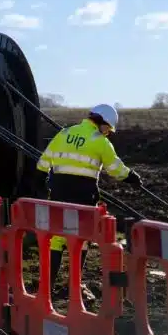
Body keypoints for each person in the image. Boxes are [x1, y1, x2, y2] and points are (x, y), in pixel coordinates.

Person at [36, 104, 142, 296]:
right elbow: (115, 169)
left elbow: (43, 162)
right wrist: (132, 177)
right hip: (84, 197)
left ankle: (47, 287)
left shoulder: (64, 133)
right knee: (82, 239)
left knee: (57, 239)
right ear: (102, 123)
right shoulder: (100, 142)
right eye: (108, 129)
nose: (108, 133)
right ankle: (74, 286)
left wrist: (43, 184)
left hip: (59, 194)